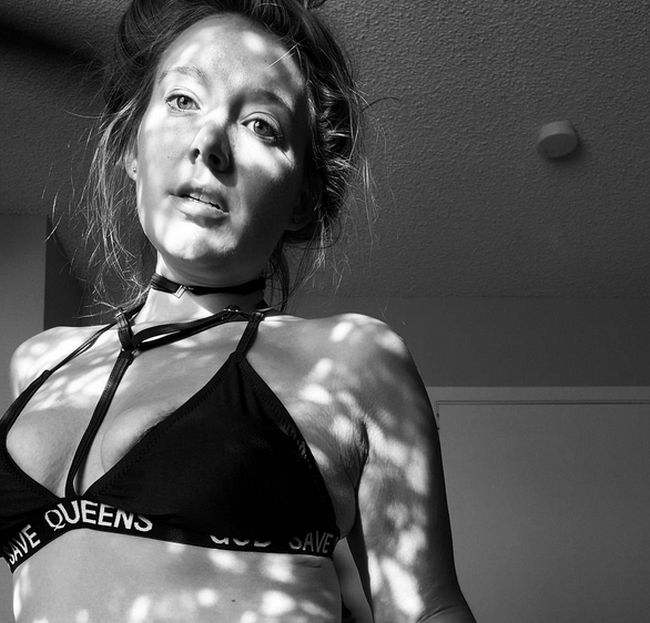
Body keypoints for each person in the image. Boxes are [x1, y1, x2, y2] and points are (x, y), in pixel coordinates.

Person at [0, 1, 475, 621]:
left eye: (260, 125)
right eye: (182, 100)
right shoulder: (38, 363)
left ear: (303, 197)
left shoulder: (352, 360)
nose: (208, 144)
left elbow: (428, 610)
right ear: (132, 149)